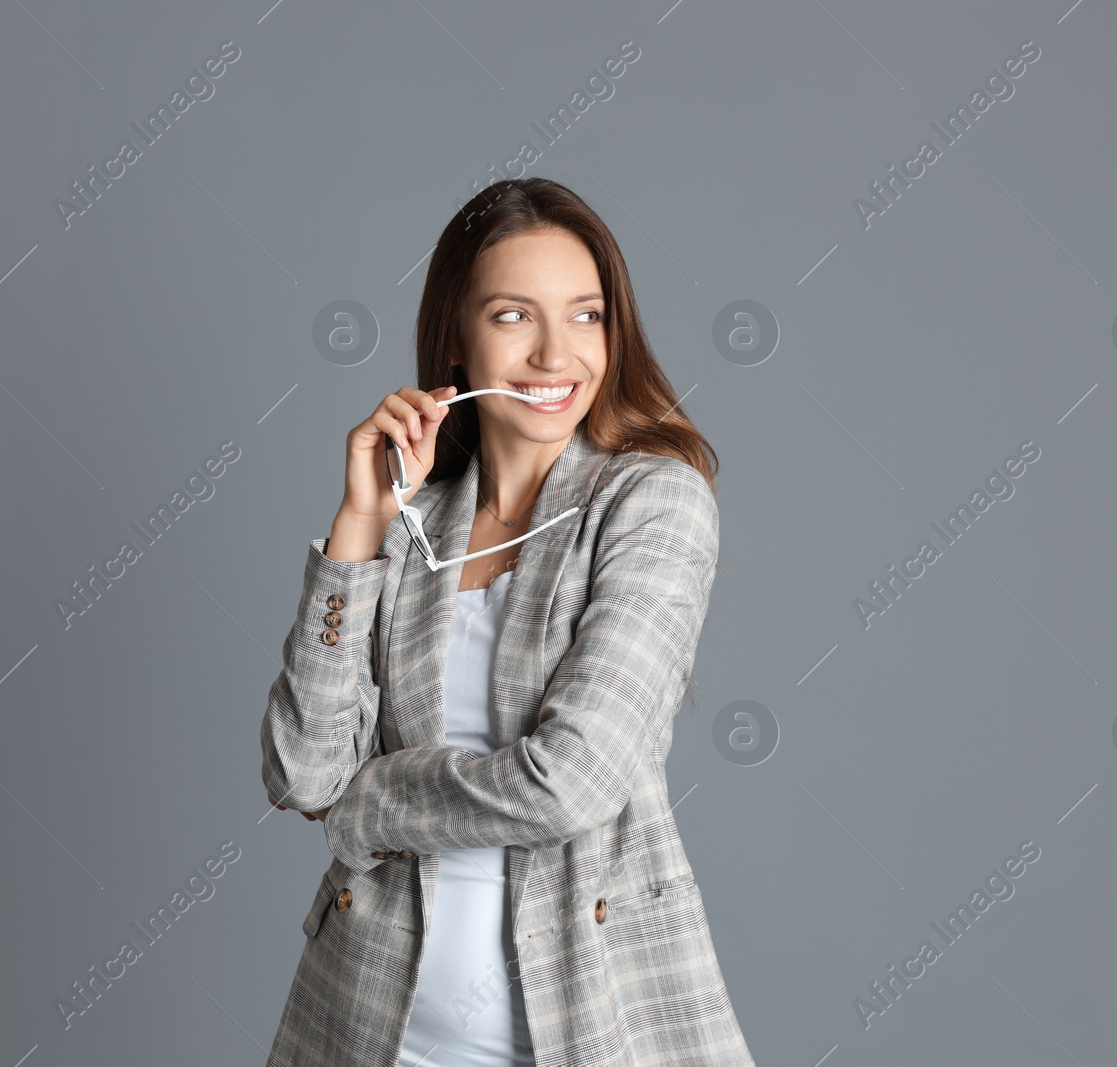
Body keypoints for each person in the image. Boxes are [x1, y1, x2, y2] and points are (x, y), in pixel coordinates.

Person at [261, 177, 756, 1067]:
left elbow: (569, 782)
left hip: (591, 1026)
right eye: (512, 317)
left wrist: (371, 803)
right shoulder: (416, 528)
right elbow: (304, 769)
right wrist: (360, 525)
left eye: (586, 315)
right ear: (457, 335)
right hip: (375, 1027)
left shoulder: (651, 503)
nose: (554, 354)